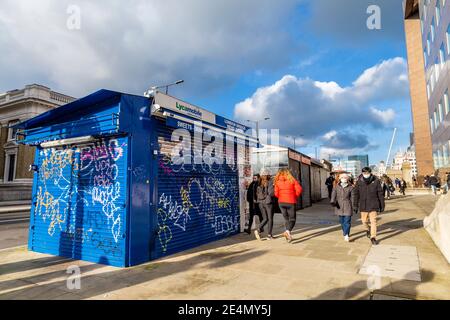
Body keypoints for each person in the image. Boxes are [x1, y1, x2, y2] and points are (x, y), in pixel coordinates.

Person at [353, 167, 385, 246]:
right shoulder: (359, 181)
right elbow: (356, 194)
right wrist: (355, 205)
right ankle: (367, 229)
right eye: (364, 173)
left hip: (373, 204)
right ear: (362, 173)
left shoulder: (376, 181)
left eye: (367, 173)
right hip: (363, 205)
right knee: (364, 221)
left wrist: (382, 205)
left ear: (370, 173)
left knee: (373, 221)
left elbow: (380, 194)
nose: (366, 175)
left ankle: (373, 237)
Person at [274, 168, 303, 243]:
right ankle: (287, 232)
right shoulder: (292, 180)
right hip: (290, 201)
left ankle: (288, 235)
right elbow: (299, 189)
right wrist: (294, 195)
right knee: (292, 219)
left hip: (281, 202)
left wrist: (281, 196)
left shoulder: (277, 181)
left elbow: (276, 193)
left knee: (286, 219)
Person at [330, 173, 355, 242]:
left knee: (347, 221)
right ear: (340, 179)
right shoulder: (336, 187)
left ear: (347, 179)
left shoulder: (351, 187)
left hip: (348, 206)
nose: (344, 179)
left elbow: (353, 197)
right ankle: (345, 232)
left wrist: (354, 206)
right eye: (342, 177)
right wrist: (332, 202)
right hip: (339, 206)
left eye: (345, 177)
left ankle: (346, 234)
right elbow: (333, 195)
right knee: (342, 221)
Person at [255, 170, 274, 240]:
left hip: (260, 202)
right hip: (268, 202)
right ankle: (269, 235)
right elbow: (271, 193)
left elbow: (256, 193)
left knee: (265, 218)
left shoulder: (258, 182)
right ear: (268, 175)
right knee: (270, 219)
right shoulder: (270, 182)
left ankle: (258, 229)